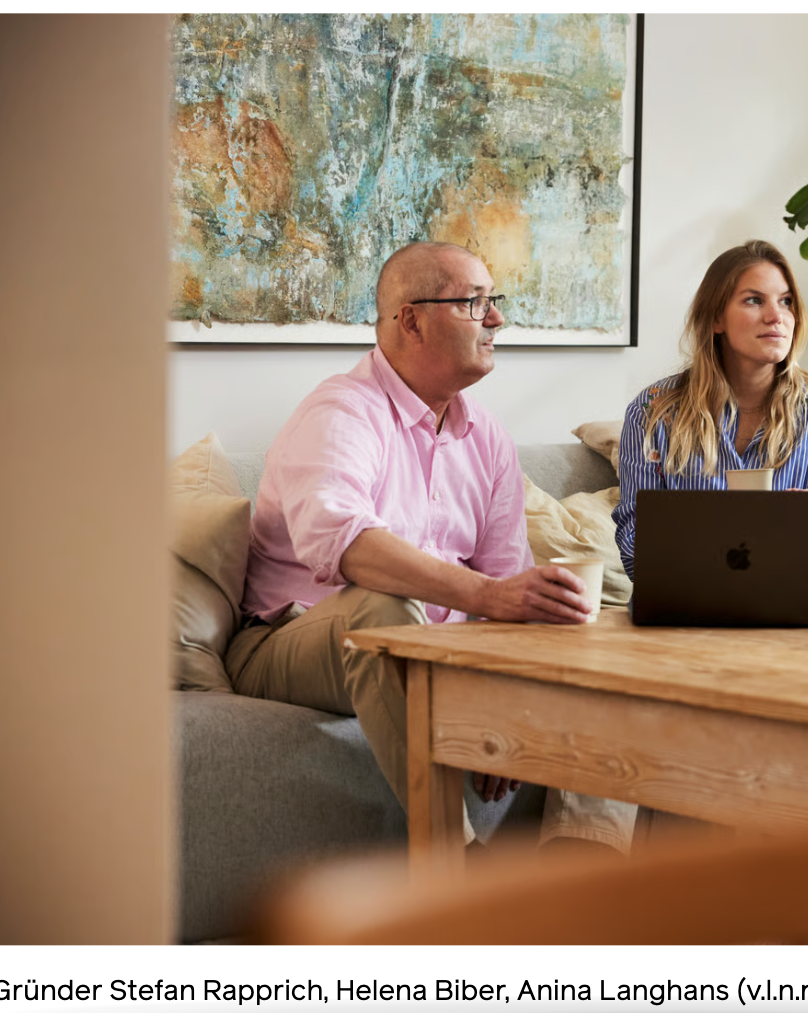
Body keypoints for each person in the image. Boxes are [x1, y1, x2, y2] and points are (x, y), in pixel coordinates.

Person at [228, 241, 636, 852]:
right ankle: (455, 869)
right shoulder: (342, 411)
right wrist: (489, 595)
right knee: (383, 606)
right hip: (290, 641)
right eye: (475, 303)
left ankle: (580, 881)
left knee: (603, 646)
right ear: (412, 319)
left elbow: (509, 589)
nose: (496, 318)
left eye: (494, 301)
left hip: (435, 652)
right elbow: (345, 545)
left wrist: (497, 694)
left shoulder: (488, 436)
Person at [614, 239, 808, 578]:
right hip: (682, 608)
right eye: (754, 300)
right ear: (716, 317)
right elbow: (635, 546)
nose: (776, 316)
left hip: (793, 609)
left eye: (786, 301)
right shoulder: (652, 412)